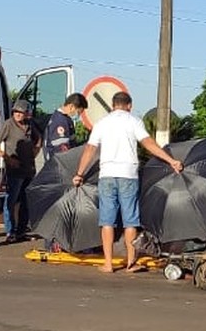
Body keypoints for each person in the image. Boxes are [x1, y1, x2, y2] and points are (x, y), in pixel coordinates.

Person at [72, 91, 183, 273]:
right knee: (130, 220)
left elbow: (90, 149)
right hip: (128, 174)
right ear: (129, 105)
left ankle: (108, 264)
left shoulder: (102, 123)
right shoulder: (134, 122)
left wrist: (79, 173)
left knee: (107, 220)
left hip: (106, 174)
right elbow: (148, 143)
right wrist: (171, 160)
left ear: (113, 104)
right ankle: (131, 263)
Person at [0, 99, 41, 243]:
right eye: (16, 111)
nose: (18, 114)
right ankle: (10, 232)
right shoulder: (8, 124)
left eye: (21, 112)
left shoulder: (30, 125)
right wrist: (7, 158)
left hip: (29, 169)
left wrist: (36, 150)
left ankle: (21, 231)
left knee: (26, 201)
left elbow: (38, 138)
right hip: (15, 169)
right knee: (11, 200)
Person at [43, 92, 88, 161]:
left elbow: (72, 143)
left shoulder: (66, 119)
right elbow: (62, 149)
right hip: (57, 164)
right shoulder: (60, 121)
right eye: (78, 112)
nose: (78, 115)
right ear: (71, 106)